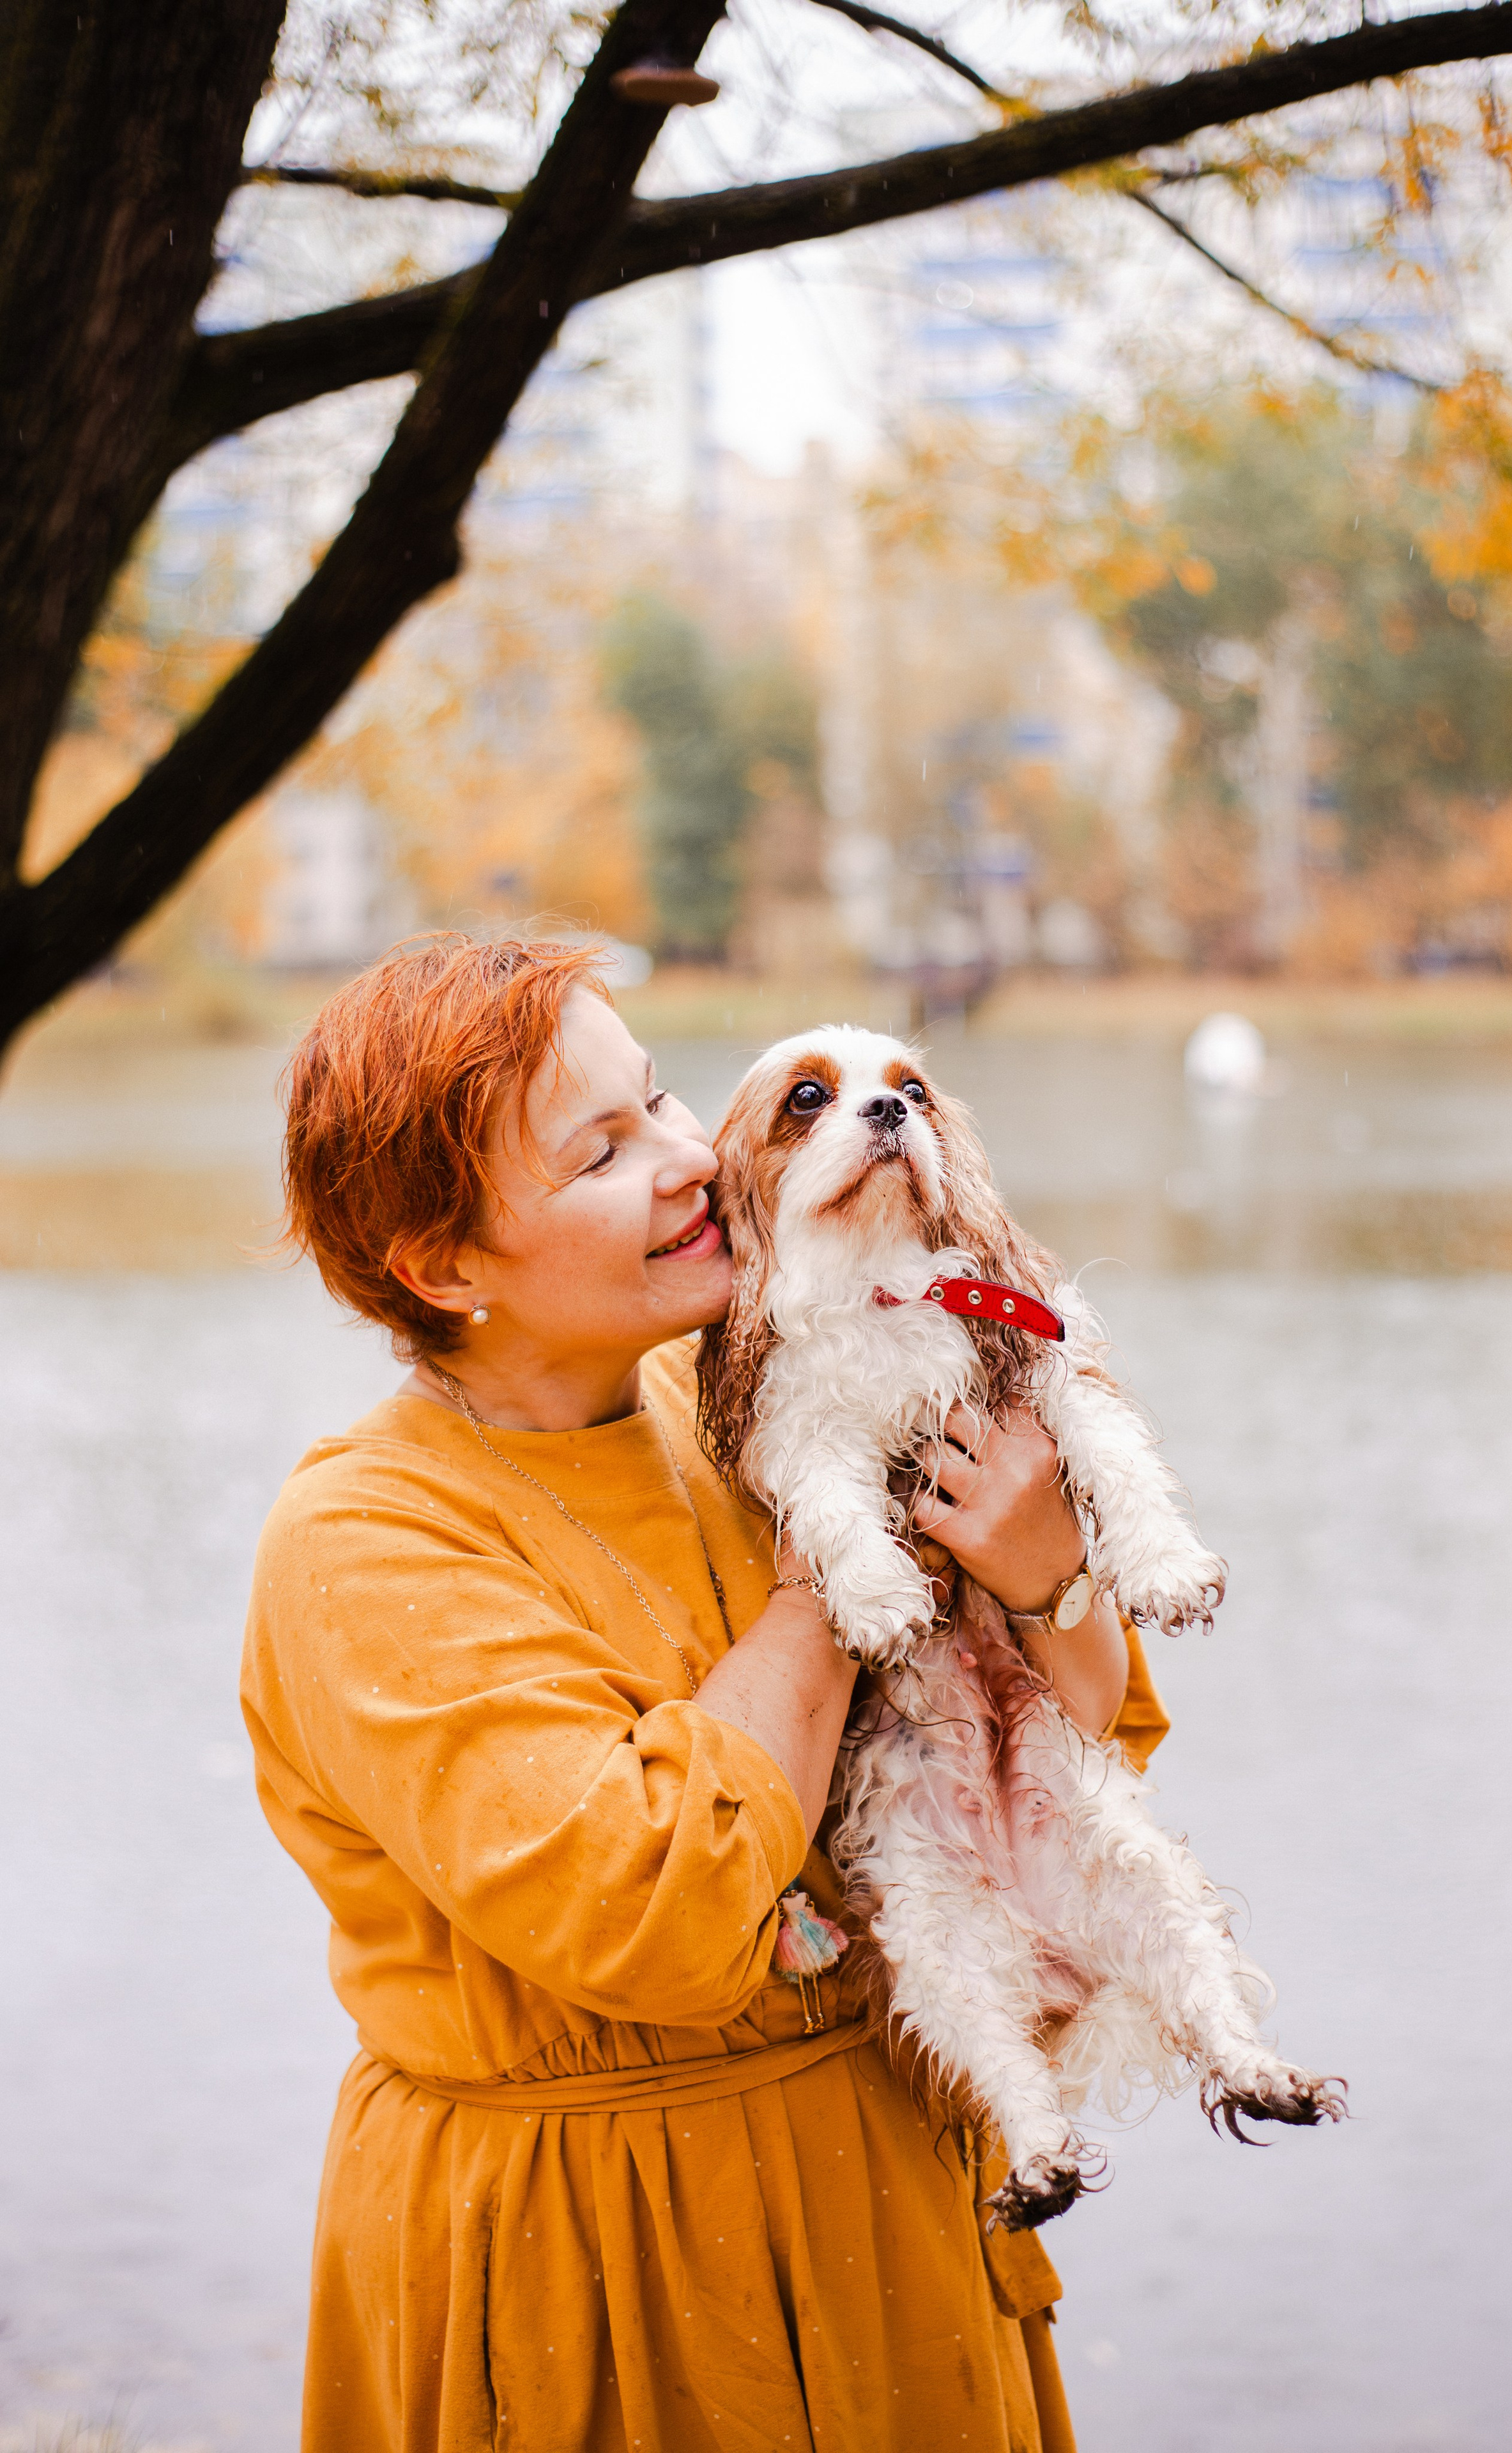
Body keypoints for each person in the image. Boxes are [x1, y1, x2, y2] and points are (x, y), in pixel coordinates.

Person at [243, 933, 1171, 2453]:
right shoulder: (364, 1543)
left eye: (662, 1099)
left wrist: (1040, 1574)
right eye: (602, 1149)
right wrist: (837, 1558)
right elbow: (654, 1910)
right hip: (597, 2272)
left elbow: (1088, 1733)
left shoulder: (732, 1387)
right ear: (440, 1263)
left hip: (895, 2219)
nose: (690, 1157)